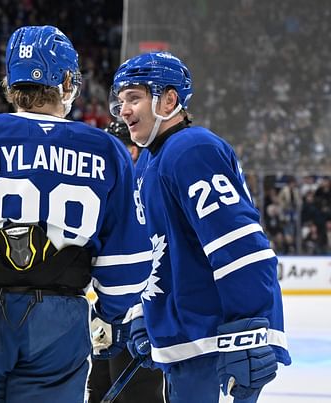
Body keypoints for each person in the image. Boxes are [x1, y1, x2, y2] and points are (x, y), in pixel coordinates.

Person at [0, 25, 151, 403]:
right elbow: (127, 258)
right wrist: (111, 312)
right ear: (68, 80)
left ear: (10, 81)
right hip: (60, 322)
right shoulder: (107, 149)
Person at [109, 51, 291, 402]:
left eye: (134, 98)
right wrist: (144, 314)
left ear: (169, 99)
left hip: (216, 343)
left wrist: (248, 331)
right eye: (121, 102)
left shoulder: (192, 149)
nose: (125, 111)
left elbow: (241, 247)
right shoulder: (148, 160)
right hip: (185, 342)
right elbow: (150, 249)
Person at [87, 120, 166, 403]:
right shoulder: (111, 191)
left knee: (137, 392)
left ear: (133, 152)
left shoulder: (150, 185)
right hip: (107, 310)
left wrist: (145, 314)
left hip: (140, 311)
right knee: (99, 388)